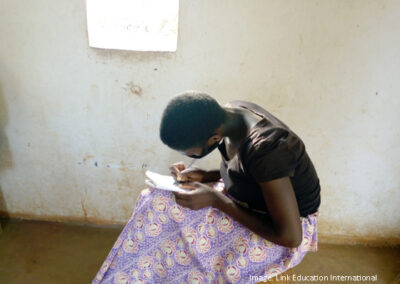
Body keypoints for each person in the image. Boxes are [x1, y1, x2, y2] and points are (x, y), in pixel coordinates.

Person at [93, 91, 320, 284]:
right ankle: (142, 272)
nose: (188, 157)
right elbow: (249, 170)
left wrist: (216, 200)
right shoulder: (230, 114)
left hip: (283, 227)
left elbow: (290, 237)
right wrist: (206, 175)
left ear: (213, 138)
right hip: (249, 198)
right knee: (155, 199)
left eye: (190, 152)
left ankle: (158, 272)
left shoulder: (267, 150)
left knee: (169, 224)